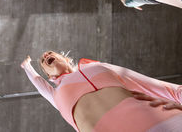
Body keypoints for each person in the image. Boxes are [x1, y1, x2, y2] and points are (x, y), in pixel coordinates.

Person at [21, 51, 182, 132]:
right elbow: (37, 82)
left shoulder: (97, 67)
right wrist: (26, 66)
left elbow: (156, 86)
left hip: (162, 122)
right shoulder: (56, 95)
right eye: (43, 62)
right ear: (49, 76)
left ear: (66, 58)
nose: (46, 56)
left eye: (50, 53)